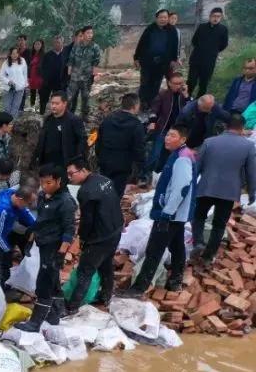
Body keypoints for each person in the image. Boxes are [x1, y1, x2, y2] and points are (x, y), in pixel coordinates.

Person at [119, 126, 197, 297]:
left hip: (170, 214)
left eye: (172, 136)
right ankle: (176, 280)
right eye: (167, 134)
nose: (167, 138)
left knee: (154, 249)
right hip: (177, 214)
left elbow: (181, 188)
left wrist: (167, 212)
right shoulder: (180, 155)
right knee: (176, 246)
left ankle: (139, 288)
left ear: (182, 139)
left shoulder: (182, 159)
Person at [191, 113, 256, 266]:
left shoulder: (209, 142)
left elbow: (196, 167)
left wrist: (192, 186)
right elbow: (252, 173)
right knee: (219, 225)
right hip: (229, 192)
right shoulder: (248, 146)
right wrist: (252, 193)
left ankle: (199, 242)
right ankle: (208, 256)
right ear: (242, 128)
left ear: (226, 126)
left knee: (199, 217)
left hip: (206, 187)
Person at [15, 165, 75, 331]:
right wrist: (30, 239)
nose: (45, 186)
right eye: (42, 182)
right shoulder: (43, 196)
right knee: (53, 279)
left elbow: (69, 230)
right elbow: (40, 221)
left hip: (54, 247)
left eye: (49, 182)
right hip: (42, 243)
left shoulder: (65, 202)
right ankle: (55, 314)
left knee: (44, 282)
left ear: (58, 181)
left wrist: (61, 254)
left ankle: (35, 323)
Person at [65, 159, 123, 311]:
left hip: (100, 237)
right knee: (106, 265)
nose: (70, 178)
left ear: (83, 170)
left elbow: (87, 220)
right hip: (115, 230)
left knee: (85, 271)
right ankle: (106, 296)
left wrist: (83, 239)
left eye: (72, 174)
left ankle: (72, 307)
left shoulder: (86, 191)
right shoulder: (105, 180)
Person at [95, 93, 145, 197]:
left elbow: (98, 141)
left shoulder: (108, 120)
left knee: (103, 193)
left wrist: (99, 157)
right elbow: (139, 149)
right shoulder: (136, 125)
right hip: (122, 166)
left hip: (105, 162)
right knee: (115, 195)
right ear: (135, 106)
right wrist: (139, 170)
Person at [146, 73, 190, 176]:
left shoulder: (183, 96)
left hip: (177, 130)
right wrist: (152, 122)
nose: (178, 86)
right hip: (163, 128)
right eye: (176, 83)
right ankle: (145, 175)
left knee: (171, 155)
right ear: (169, 83)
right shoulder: (163, 94)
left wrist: (187, 96)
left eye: (180, 83)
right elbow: (154, 110)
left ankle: (161, 174)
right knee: (155, 154)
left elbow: (190, 111)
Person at [0, 187, 37, 288]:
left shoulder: (14, 194)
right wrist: (7, 250)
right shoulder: (3, 209)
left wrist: (37, 226)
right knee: (3, 266)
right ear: (20, 199)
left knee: (6, 265)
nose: (28, 206)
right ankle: (0, 290)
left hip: (5, 233)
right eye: (27, 203)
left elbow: (25, 214)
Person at [135, 10, 180, 110]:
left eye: (165, 17)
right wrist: (136, 58)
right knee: (145, 82)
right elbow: (141, 44)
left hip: (162, 62)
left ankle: (152, 103)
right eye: (161, 17)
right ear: (157, 18)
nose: (163, 19)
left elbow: (175, 46)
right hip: (147, 61)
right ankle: (143, 102)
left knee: (156, 83)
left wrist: (174, 59)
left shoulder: (172, 30)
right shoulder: (150, 29)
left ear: (168, 18)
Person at [35, 92, 85, 169]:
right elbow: (42, 140)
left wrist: (77, 161)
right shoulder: (48, 119)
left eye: (57, 103)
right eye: (52, 103)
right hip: (46, 162)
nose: (53, 106)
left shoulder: (74, 120)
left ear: (64, 104)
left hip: (64, 163)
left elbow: (82, 140)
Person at [188, 7, 229, 99]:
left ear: (221, 17)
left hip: (209, 61)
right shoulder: (202, 27)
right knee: (191, 81)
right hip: (196, 59)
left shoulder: (223, 29)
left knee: (204, 83)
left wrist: (213, 51)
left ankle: (199, 102)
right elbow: (194, 40)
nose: (215, 18)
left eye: (218, 16)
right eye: (214, 16)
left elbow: (224, 44)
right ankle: (186, 99)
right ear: (210, 16)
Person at [67, 26, 102, 120]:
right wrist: (69, 74)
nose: (90, 35)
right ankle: (67, 115)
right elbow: (71, 60)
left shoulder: (95, 47)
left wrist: (94, 75)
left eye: (91, 33)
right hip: (75, 77)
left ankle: (84, 117)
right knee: (69, 97)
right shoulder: (76, 45)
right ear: (83, 34)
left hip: (87, 78)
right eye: (88, 33)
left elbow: (96, 62)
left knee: (85, 98)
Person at [40, 36, 67, 115]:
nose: (56, 44)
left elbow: (68, 69)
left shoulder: (65, 55)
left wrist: (65, 80)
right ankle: (41, 114)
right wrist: (44, 78)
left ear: (62, 43)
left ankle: (57, 115)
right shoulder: (48, 55)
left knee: (58, 100)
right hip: (47, 82)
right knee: (43, 99)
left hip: (60, 82)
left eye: (58, 42)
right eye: (55, 42)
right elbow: (42, 67)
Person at [0, 47, 27, 117]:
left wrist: (24, 84)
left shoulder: (22, 60)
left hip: (20, 88)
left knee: (15, 107)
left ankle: (12, 124)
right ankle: (6, 123)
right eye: (13, 53)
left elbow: (25, 73)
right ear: (10, 54)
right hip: (8, 88)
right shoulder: (6, 63)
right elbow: (1, 75)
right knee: (7, 107)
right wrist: (8, 81)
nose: (15, 55)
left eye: (16, 53)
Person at [27, 39, 46, 113]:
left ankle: (41, 108)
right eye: (35, 44)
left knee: (41, 92)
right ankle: (32, 107)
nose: (37, 46)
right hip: (32, 75)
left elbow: (45, 66)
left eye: (38, 44)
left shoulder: (44, 54)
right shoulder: (31, 53)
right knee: (32, 91)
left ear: (41, 45)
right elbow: (29, 65)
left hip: (39, 76)